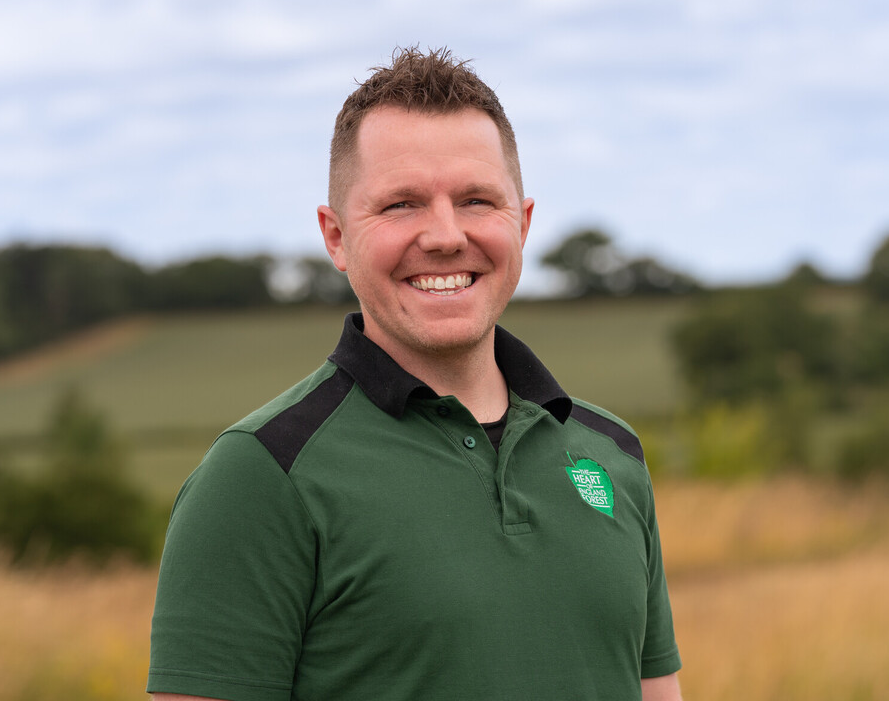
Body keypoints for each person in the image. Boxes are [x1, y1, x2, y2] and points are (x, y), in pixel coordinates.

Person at [147, 47, 683, 701]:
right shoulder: (260, 477)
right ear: (336, 236)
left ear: (525, 222)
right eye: (402, 204)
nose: (445, 235)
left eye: (477, 200)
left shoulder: (612, 455)